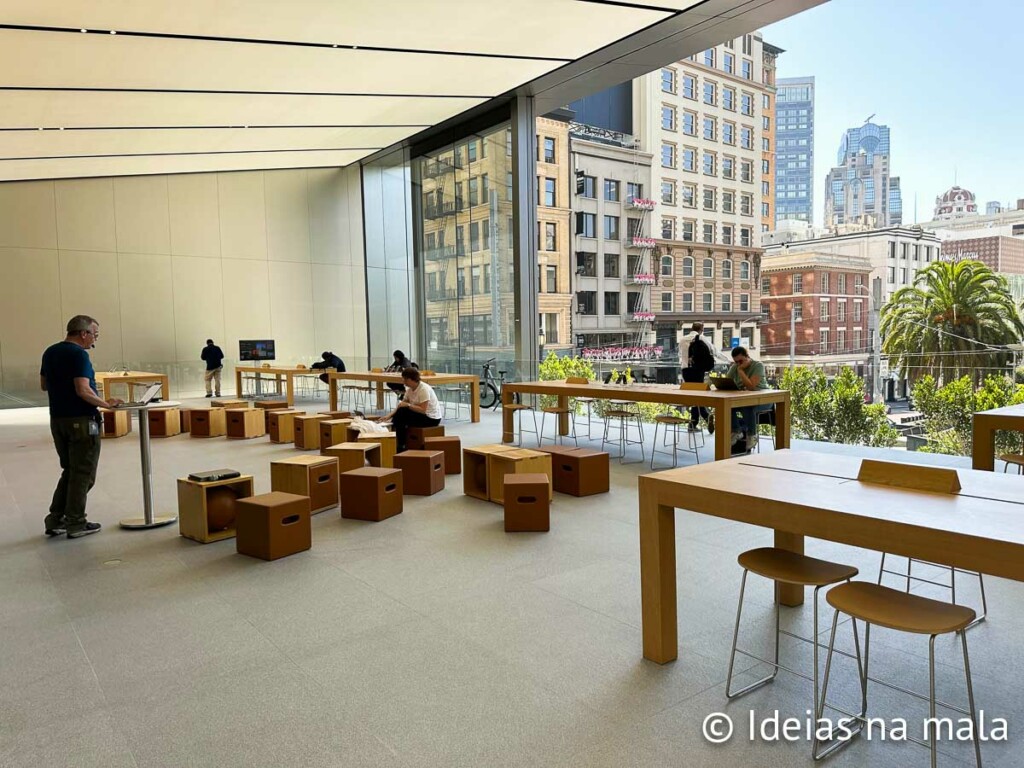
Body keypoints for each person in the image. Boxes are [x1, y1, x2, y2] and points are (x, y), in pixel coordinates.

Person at [39, 315, 123, 539]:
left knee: (70, 471)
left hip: (58, 420)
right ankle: (76, 522)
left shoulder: (50, 352)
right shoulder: (79, 355)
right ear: (83, 333)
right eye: (94, 335)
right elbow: (82, 390)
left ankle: (55, 519)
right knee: (83, 474)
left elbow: (44, 385)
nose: (93, 342)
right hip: (82, 422)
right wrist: (106, 404)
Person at [726, 346, 772, 453]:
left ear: (747, 357)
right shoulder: (735, 367)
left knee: (748, 407)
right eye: (736, 362)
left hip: (763, 400)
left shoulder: (758, 365)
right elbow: (727, 382)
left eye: (740, 361)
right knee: (728, 406)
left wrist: (741, 371)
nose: (738, 364)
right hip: (743, 400)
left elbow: (751, 387)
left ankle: (752, 435)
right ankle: (736, 431)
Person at [384, 368, 442, 452]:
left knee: (402, 414)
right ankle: (398, 440)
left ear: (410, 379)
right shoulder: (409, 389)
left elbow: (423, 410)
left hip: (431, 418)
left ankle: (399, 443)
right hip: (419, 414)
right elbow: (401, 405)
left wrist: (408, 405)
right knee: (401, 413)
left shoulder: (423, 389)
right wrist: (389, 415)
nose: (403, 381)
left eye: (404, 379)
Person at [684, 322, 715, 434]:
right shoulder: (702, 338)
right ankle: (705, 417)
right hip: (698, 370)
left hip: (685, 370)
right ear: (701, 329)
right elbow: (713, 351)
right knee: (698, 396)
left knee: (694, 397)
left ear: (691, 328)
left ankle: (693, 423)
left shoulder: (683, 339)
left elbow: (680, 355)